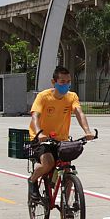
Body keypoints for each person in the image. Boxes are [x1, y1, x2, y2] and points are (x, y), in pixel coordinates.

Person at [28, 66, 93, 203]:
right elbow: (35, 116)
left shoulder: (72, 97)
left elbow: (79, 112)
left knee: (67, 168)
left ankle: (66, 205)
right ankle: (32, 180)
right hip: (41, 139)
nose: (66, 85)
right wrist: (39, 133)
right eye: (62, 82)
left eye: (68, 82)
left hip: (61, 139)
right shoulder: (44, 96)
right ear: (54, 82)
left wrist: (87, 131)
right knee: (48, 163)